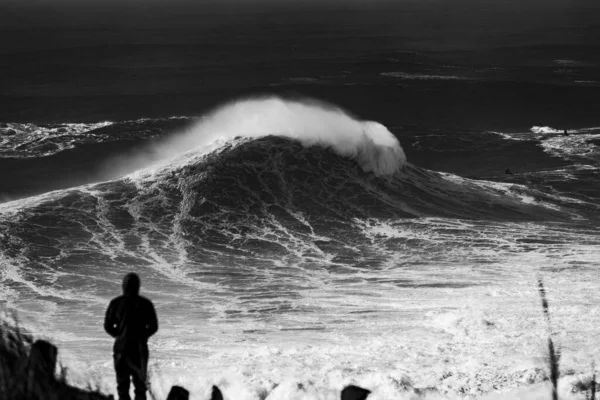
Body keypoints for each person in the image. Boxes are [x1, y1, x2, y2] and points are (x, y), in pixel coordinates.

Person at [104, 273, 158, 400]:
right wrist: (143, 336)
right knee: (140, 387)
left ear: (124, 286)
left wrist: (119, 335)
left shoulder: (116, 303)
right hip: (139, 349)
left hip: (121, 349)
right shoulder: (145, 303)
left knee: (122, 387)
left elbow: (108, 326)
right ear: (138, 286)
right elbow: (154, 326)